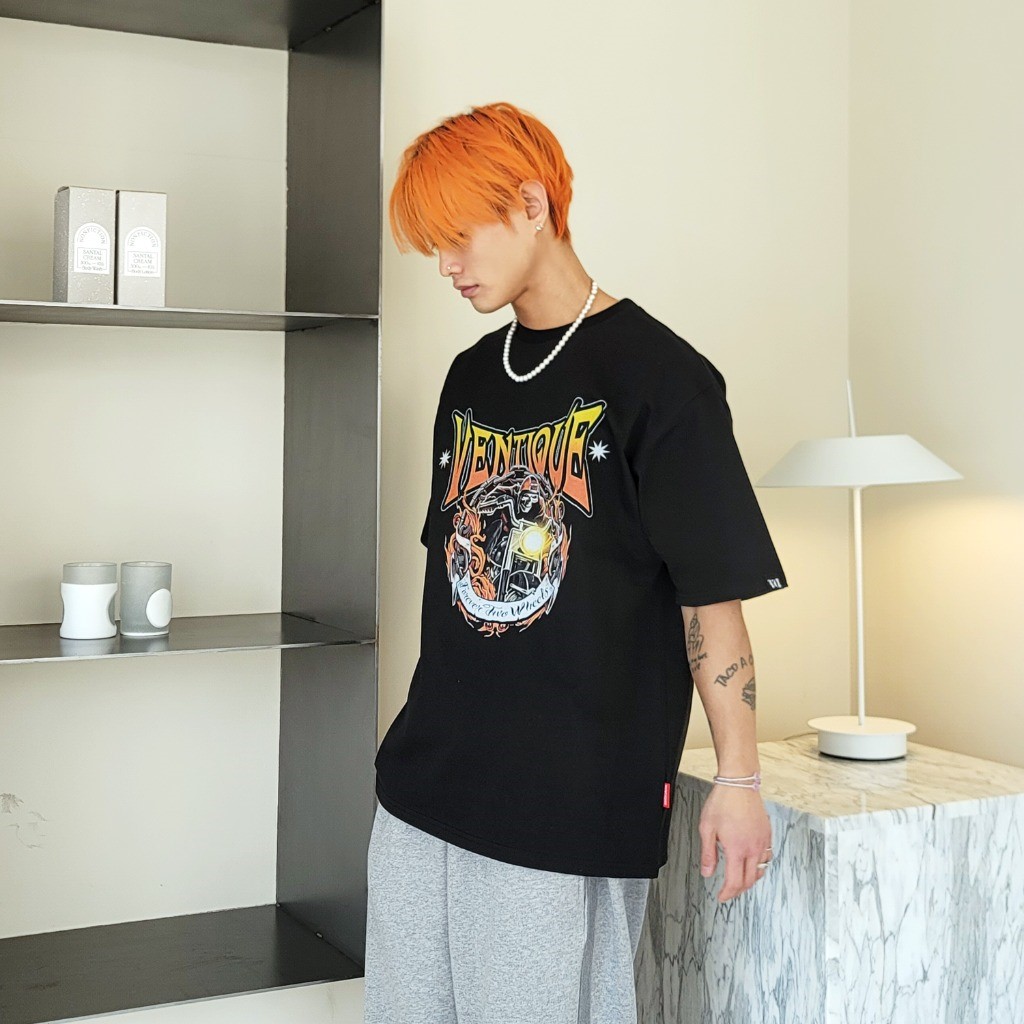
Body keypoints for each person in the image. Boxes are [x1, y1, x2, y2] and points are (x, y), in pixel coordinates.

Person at [364, 101, 788, 1024]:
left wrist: (740, 779)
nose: (446, 266)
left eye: (458, 237)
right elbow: (454, 588)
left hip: (562, 804)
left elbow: (710, 601)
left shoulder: (664, 380)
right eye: (434, 246)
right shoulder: (469, 379)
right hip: (422, 788)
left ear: (530, 205)